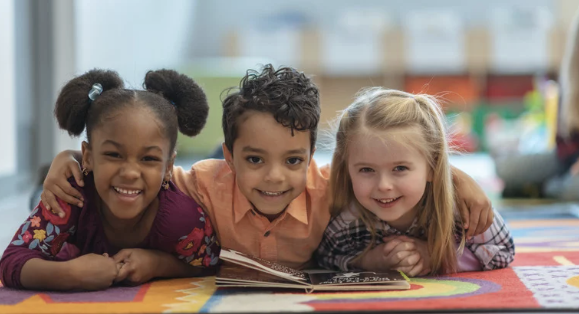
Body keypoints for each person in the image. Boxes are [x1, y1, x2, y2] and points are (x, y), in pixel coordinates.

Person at [39, 65, 494, 269]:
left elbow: (388, 173)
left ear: (313, 157)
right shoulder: (201, 183)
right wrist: (66, 160)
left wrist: (455, 177)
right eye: (254, 160)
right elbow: (140, 171)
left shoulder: (333, 189)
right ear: (229, 156)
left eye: (293, 160)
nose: (274, 177)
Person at [0, 69, 220, 290]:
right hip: (68, 201)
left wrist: (158, 264)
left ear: (169, 167)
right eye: (114, 154)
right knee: (43, 196)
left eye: (149, 158)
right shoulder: (71, 194)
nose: (130, 173)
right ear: (88, 156)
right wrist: (68, 274)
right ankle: (44, 181)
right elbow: (12, 260)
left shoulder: (182, 218)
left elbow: (210, 262)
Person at [317, 88, 514, 276]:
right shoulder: (348, 219)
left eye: (400, 168)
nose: (384, 185)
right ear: (347, 169)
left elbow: (503, 250)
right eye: (366, 170)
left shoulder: (462, 209)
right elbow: (325, 257)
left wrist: (439, 257)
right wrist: (369, 261)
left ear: (432, 167)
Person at [496, 9, 579, 200]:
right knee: (504, 168)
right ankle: (543, 186)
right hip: (563, 160)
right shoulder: (570, 86)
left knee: (570, 190)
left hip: (570, 170)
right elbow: (563, 144)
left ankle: (542, 188)